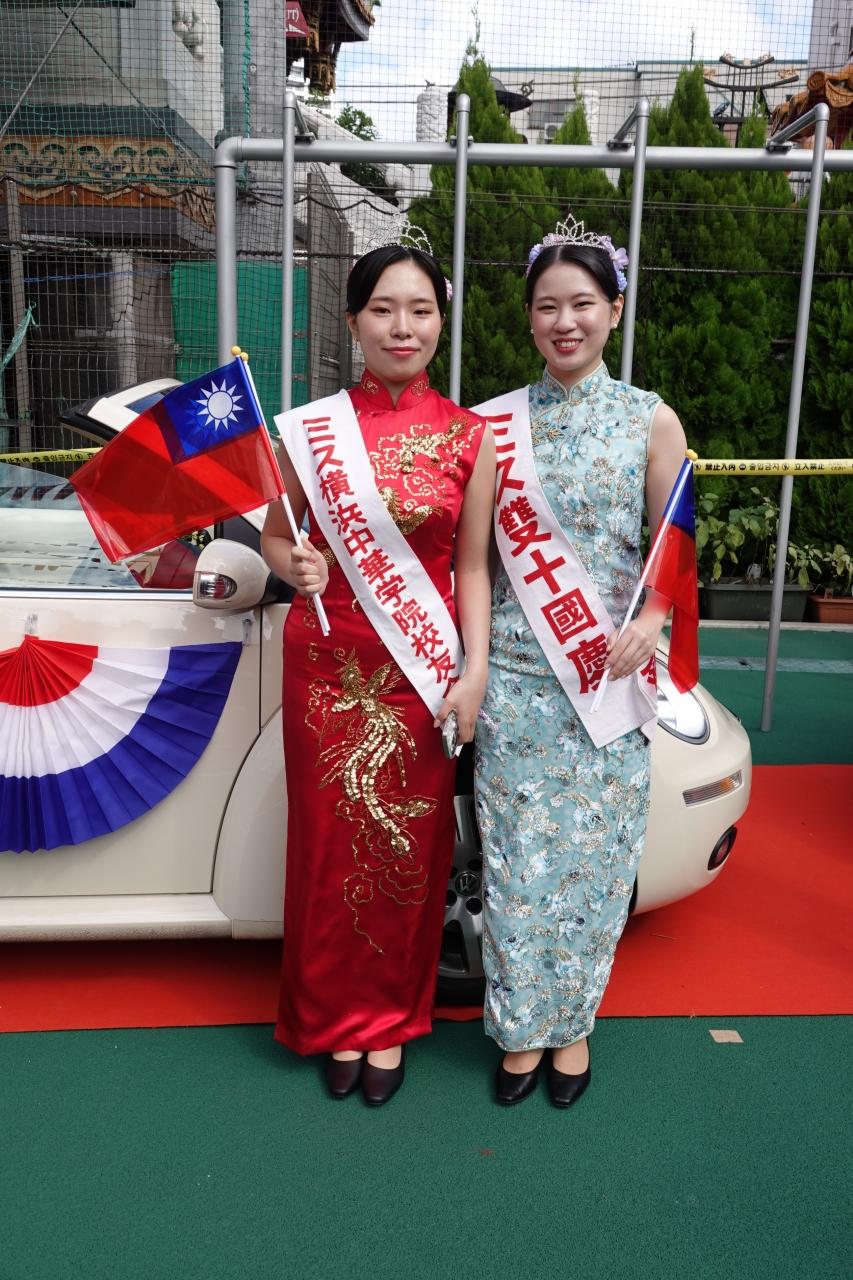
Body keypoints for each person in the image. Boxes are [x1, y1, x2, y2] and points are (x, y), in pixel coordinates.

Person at [261, 241, 495, 1106]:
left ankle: (390, 1022)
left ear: (440, 320)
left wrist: (473, 672)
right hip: (326, 666)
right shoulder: (310, 430)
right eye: (384, 309)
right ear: (353, 320)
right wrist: (292, 564)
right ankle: (330, 1019)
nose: (403, 327)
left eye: (420, 310)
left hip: (421, 671)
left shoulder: (470, 436)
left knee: (410, 848)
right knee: (327, 851)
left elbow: (471, 567)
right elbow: (276, 535)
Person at [472, 217, 688, 1107]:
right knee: (515, 864)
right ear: (528, 317)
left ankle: (574, 1026)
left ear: (614, 309)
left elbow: (672, 545)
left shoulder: (650, 419)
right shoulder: (491, 426)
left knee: (595, 865)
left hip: (607, 678)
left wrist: (655, 618)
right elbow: (470, 558)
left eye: (583, 304)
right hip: (516, 680)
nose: (564, 322)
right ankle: (520, 1032)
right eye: (546, 307)